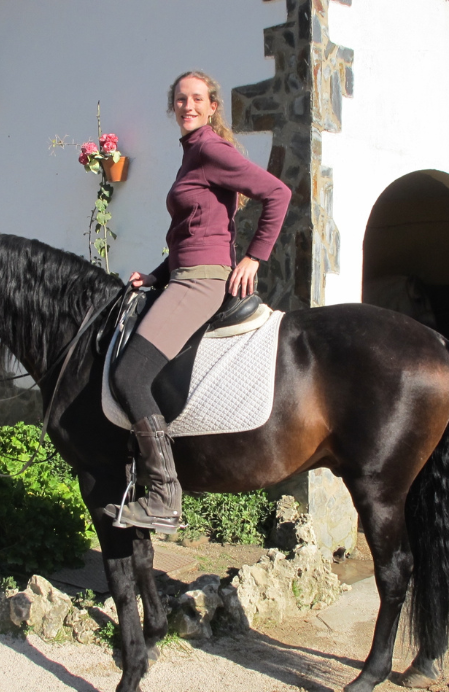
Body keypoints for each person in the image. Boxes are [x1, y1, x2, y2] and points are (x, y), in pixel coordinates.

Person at [107, 70, 292, 533]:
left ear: (212, 107)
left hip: (202, 283)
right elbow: (191, 237)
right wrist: (155, 275)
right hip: (183, 275)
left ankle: (166, 496)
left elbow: (278, 193)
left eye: (196, 99)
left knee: (129, 375)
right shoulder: (192, 156)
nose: (187, 106)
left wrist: (254, 257)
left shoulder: (209, 149)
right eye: (179, 100)